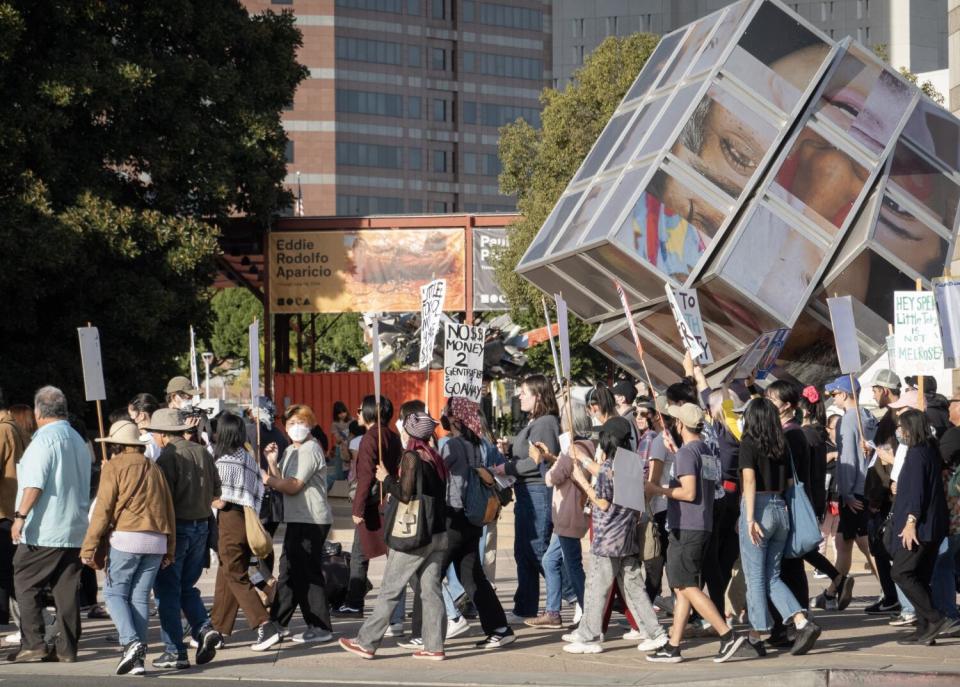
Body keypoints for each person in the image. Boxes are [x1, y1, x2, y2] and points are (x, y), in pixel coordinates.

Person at [339, 411, 448, 661]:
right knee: (430, 591)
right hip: (437, 532)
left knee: (390, 588)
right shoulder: (435, 458)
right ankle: (434, 645)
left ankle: (367, 642)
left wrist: (386, 478)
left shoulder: (412, 456)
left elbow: (406, 493)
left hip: (413, 533)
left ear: (410, 432)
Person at [644, 402, 746, 664]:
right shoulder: (704, 449)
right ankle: (674, 645)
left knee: (684, 585)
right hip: (700, 524)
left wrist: (658, 489)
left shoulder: (687, 453)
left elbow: (689, 493)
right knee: (682, 588)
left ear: (680, 425)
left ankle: (727, 635)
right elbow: (702, 485)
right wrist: (676, 452)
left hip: (687, 526)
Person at [562, 417, 668, 655]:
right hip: (627, 537)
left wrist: (583, 483)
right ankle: (655, 633)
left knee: (596, 586)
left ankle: (588, 635)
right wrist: (584, 460)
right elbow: (607, 475)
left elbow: (602, 503)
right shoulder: (631, 463)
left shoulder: (611, 466)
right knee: (634, 587)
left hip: (608, 538)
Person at [80, 420, 176, 675]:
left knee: (113, 594)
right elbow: (169, 509)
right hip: (156, 540)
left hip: (126, 538)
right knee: (139, 597)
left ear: (116, 445)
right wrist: (170, 548)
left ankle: (131, 643)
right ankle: (138, 660)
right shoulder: (154, 468)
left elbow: (103, 510)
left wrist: (89, 545)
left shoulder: (114, 466)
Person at [9, 386, 90, 663]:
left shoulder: (43, 440)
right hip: (75, 526)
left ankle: (34, 643)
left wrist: (19, 517)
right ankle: (67, 648)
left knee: (24, 581)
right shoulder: (77, 439)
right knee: (65, 589)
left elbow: (34, 484)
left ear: (38, 410)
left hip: (46, 528)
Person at [737, 398, 821, 657]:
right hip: (780, 506)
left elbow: (749, 481)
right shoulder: (780, 443)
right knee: (772, 575)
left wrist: (750, 519)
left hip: (758, 508)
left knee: (755, 577)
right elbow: (786, 482)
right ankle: (801, 621)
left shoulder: (749, 442)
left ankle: (756, 634)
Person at [146, 408, 222, 670]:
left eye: (155, 433)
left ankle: (174, 651)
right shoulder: (201, 451)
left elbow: (159, 500)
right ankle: (203, 627)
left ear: (163, 434)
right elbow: (217, 491)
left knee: (167, 591)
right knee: (186, 587)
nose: (154, 437)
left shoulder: (168, 457)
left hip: (176, 530)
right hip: (202, 526)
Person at [439, 398, 515, 648]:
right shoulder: (479, 444)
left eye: (447, 412)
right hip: (473, 517)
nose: (443, 415)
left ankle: (429, 630)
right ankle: (500, 628)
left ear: (456, 418)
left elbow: (438, 473)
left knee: (429, 575)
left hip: (453, 515)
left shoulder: (450, 444)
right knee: (472, 576)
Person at [261, 404, 334, 647]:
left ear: (311, 423)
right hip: (298, 518)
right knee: (291, 571)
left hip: (311, 519)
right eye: (290, 423)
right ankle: (281, 623)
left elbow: (292, 486)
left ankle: (318, 626)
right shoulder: (292, 449)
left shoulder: (311, 449)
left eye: (300, 422)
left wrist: (267, 479)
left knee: (305, 573)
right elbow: (282, 479)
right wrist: (272, 463)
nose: (295, 428)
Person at [208, 412, 276, 650]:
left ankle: (264, 624)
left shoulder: (224, 460)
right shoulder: (247, 457)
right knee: (226, 576)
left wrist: (210, 498)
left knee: (235, 575)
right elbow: (257, 488)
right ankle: (218, 629)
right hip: (247, 519)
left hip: (230, 520)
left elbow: (221, 500)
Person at [498, 375, 560, 621]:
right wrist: (508, 452)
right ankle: (525, 606)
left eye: (524, 392)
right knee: (523, 551)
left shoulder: (545, 422)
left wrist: (509, 468)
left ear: (539, 395)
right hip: (526, 493)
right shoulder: (535, 421)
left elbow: (540, 461)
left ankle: (576, 596)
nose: (519, 396)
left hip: (537, 492)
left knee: (538, 550)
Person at [338, 395, 401, 616]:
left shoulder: (369, 438)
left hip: (373, 504)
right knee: (388, 555)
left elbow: (365, 477)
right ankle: (358, 601)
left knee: (360, 555)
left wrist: (357, 509)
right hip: (389, 500)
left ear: (369, 412)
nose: (356, 414)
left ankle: (355, 602)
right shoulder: (393, 436)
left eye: (359, 410)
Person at [890, 409, 950, 645]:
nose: (899, 432)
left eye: (901, 427)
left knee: (901, 572)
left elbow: (917, 492)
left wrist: (910, 522)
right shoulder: (929, 450)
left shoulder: (916, 454)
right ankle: (925, 629)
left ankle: (935, 618)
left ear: (910, 428)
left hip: (920, 526)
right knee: (920, 576)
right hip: (933, 525)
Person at [817, 375, 877, 608]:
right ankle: (833, 591)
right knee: (843, 543)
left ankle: (893, 594)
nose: (833, 398)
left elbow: (848, 458)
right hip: (866, 487)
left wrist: (848, 493)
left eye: (834, 394)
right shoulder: (868, 417)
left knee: (865, 545)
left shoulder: (848, 420)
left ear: (843, 394)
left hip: (855, 490)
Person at [534, 402, 592, 630]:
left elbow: (552, 477)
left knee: (573, 565)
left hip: (569, 513)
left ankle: (588, 611)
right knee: (551, 560)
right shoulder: (587, 445)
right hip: (570, 514)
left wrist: (550, 461)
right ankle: (553, 611)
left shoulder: (574, 448)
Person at [931, 394, 960, 633]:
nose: (949, 405)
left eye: (954, 400)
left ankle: (948, 614)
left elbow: (937, 462)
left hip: (954, 512)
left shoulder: (954, 435)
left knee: (943, 562)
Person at [0, 388, 24, 629]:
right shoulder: (15, 427)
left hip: (4, 508)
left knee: (6, 573)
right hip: (13, 507)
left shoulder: (2, 429)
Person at [128, 393, 162, 461]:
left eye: (131, 415)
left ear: (141, 416)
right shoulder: (163, 435)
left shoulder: (143, 441)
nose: (130, 419)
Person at [329, 401, 352, 491]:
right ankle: (325, 484)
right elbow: (337, 438)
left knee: (351, 471)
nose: (342, 414)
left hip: (351, 449)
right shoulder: (335, 424)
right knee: (339, 475)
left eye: (343, 412)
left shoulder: (352, 420)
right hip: (340, 449)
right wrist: (342, 440)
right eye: (339, 413)